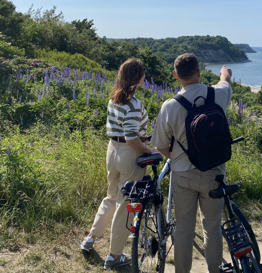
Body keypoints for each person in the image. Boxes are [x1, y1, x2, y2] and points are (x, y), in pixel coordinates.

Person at [151, 53, 233, 273]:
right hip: (214, 173)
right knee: (212, 227)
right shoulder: (218, 94)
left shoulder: (169, 106)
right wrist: (225, 73)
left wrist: (177, 158)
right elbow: (225, 82)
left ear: (176, 75)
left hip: (183, 175)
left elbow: (159, 147)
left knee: (184, 229)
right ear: (199, 72)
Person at [80, 58, 157, 270]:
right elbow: (132, 139)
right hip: (129, 154)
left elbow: (124, 131)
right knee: (126, 205)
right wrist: (150, 150)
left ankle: (90, 238)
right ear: (139, 77)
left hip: (112, 149)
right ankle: (114, 255)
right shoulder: (134, 103)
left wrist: (143, 138)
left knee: (111, 196)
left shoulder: (113, 98)